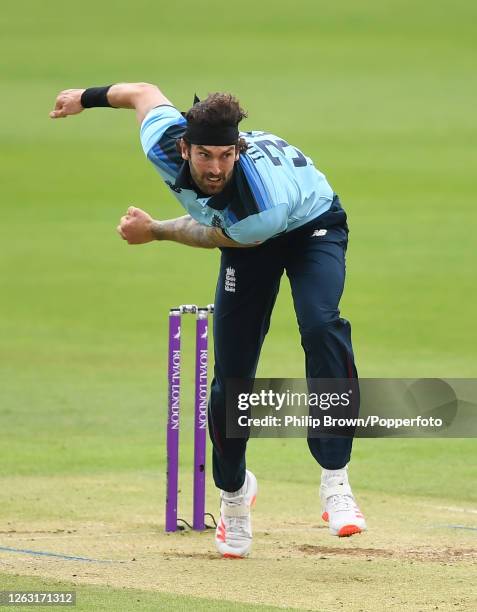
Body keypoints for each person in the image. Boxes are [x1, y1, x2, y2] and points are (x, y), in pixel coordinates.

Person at [50, 82, 367, 558]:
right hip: (244, 236)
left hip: (309, 225)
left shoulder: (257, 205)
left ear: (237, 151)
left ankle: (334, 479)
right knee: (233, 376)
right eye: (204, 156)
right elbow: (141, 92)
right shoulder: (161, 138)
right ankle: (235, 495)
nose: (215, 168)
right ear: (183, 147)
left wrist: (155, 230)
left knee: (320, 324)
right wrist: (86, 99)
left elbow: (216, 236)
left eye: (225, 155)